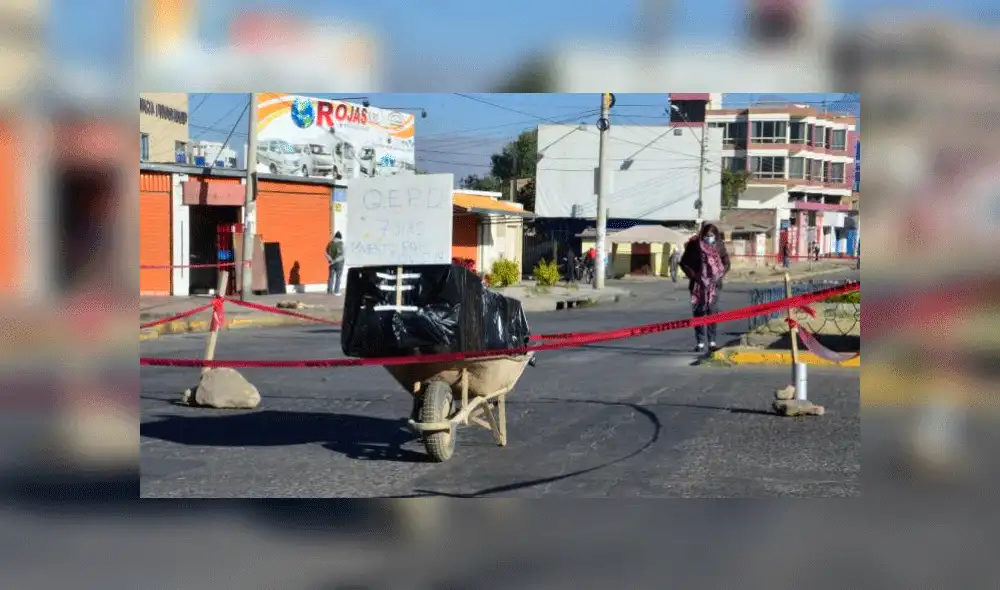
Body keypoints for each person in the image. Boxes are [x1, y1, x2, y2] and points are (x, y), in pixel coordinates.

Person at [680, 224, 730, 352]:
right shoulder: (694, 245)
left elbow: (726, 263)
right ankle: (700, 342)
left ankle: (712, 342)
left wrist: (719, 274)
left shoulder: (719, 245)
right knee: (699, 312)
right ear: (703, 235)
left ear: (716, 236)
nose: (709, 238)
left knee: (712, 312)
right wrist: (695, 276)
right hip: (698, 285)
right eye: (707, 236)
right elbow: (684, 262)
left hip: (714, 285)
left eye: (712, 236)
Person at [325, 231, 345, 296]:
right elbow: (342, 255)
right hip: (339, 263)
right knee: (338, 277)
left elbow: (326, 253)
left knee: (331, 277)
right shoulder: (341, 244)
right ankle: (336, 291)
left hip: (331, 263)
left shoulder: (330, 244)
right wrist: (336, 260)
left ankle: (329, 291)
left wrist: (330, 260)